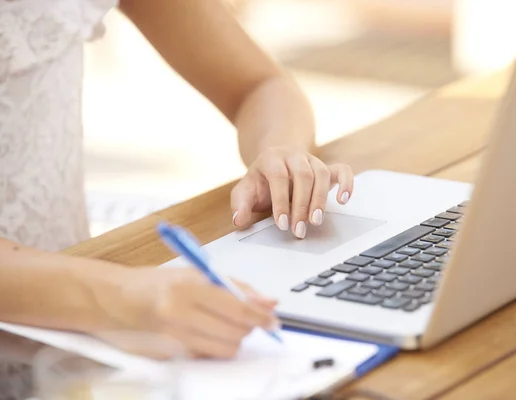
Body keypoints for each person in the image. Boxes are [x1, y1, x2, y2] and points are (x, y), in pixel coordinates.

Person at [0, 0, 354, 360]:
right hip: (105, 308)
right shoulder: (125, 299)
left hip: (92, 333)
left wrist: (280, 153)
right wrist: (118, 298)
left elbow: (262, 85)